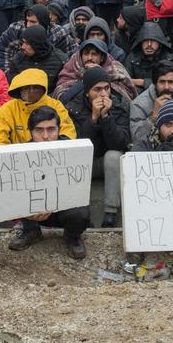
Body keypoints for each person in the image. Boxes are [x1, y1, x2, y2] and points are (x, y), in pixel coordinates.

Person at [6, 105, 89, 258]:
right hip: (33, 210)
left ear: (59, 129)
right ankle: (31, 231)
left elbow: (79, 189)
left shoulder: (73, 151)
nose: (45, 136)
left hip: (64, 208)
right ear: (31, 132)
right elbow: (15, 191)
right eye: (39, 130)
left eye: (51, 129)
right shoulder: (21, 154)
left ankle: (72, 237)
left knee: (80, 211)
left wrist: (53, 203)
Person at [65, 66, 131, 227]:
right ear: (87, 92)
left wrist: (106, 117)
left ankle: (110, 214)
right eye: (97, 89)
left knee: (114, 156)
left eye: (106, 88)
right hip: (83, 162)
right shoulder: (73, 107)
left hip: (106, 162)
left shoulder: (120, 105)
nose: (103, 94)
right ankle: (82, 215)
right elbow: (77, 146)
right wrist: (93, 118)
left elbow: (120, 143)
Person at [0, 67, 76, 149]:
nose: (31, 92)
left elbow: (68, 132)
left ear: (44, 89)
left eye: (36, 88)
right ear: (19, 90)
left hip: (53, 156)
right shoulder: (7, 109)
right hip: (18, 159)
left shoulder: (56, 106)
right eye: (26, 88)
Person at [0, 4, 72, 73]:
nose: (28, 25)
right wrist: (8, 71)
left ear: (43, 22)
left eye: (33, 22)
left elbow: (71, 53)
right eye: (27, 20)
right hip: (20, 71)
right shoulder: (16, 30)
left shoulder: (58, 33)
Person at [53, 39, 137, 103]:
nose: (89, 58)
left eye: (94, 54)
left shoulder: (114, 69)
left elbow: (126, 98)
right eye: (86, 54)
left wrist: (100, 75)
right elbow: (62, 99)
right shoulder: (71, 69)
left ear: (102, 58)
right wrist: (87, 78)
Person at [7, 24, 68, 89]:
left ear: (37, 44)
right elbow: (12, 84)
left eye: (27, 44)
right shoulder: (18, 58)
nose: (23, 47)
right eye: (23, 42)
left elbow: (61, 88)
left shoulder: (60, 60)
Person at [125, 22, 173, 95]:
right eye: (146, 41)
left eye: (153, 40)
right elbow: (126, 82)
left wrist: (143, 82)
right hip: (138, 97)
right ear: (141, 42)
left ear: (159, 43)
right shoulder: (132, 58)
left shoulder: (170, 59)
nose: (149, 44)